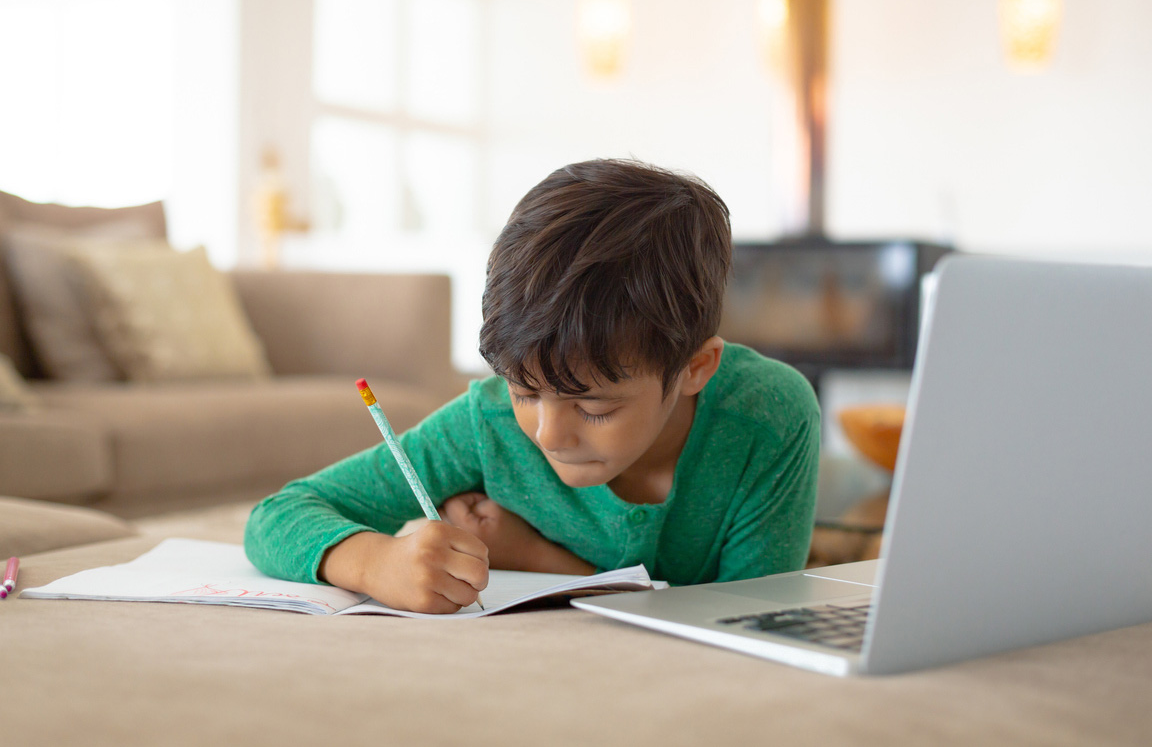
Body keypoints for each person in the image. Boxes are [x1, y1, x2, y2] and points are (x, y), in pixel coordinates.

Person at [243, 158, 821, 613]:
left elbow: (751, 620)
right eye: (524, 391)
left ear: (696, 367)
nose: (548, 433)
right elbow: (278, 515)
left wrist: (536, 559)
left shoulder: (769, 415)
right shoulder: (488, 423)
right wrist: (376, 563)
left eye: (593, 407)